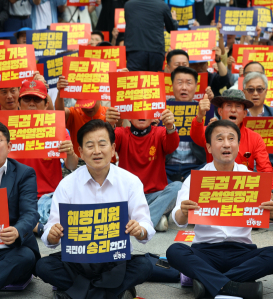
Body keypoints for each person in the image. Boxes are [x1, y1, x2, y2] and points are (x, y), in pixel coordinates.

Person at [37, 120, 155, 299]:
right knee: (43, 266)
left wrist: (140, 230)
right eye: (90, 146)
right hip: (78, 260)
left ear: (113, 148)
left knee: (144, 266)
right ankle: (112, 292)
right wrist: (52, 234)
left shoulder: (130, 182)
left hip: (115, 259)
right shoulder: (67, 185)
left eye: (102, 144)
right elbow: (50, 232)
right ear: (81, 152)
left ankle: (76, 293)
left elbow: (147, 225)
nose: (97, 151)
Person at [167, 120, 273, 299]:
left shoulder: (251, 178)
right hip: (205, 252)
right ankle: (235, 286)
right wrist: (184, 211)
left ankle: (211, 283)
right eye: (220, 139)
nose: (226, 144)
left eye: (232, 139)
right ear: (208, 147)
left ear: (238, 145)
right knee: (174, 251)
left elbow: (272, 216)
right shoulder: (195, 179)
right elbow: (178, 220)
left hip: (242, 251)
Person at [15, 79, 77, 235]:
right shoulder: (7, 129)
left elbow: (72, 165)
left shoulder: (57, 128)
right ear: (19, 102)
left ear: (46, 103)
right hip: (18, 196)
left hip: (49, 196)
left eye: (37, 99)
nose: (31, 103)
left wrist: (69, 152)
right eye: (27, 99)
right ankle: (37, 226)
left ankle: (32, 225)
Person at [190, 89, 273, 191]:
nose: (233, 110)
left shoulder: (255, 138)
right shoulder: (211, 132)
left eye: (238, 106)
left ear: (245, 113)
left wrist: (271, 191)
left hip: (244, 188)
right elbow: (196, 136)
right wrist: (200, 115)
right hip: (213, 187)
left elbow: (265, 168)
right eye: (229, 105)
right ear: (220, 111)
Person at [110, 107, 181, 232]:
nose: (141, 114)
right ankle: (155, 217)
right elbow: (107, 143)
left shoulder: (160, 132)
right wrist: (110, 124)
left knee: (178, 187)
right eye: (137, 110)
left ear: (154, 116)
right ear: (129, 117)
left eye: (146, 110)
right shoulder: (121, 133)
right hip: (128, 197)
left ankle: (142, 223)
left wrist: (170, 127)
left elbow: (172, 146)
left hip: (155, 195)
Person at [0, 122, 41, 289]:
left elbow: (30, 213)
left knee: (26, 257)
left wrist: (17, 230)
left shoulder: (24, 173)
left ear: (9, 146)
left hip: (11, 247)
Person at [124, 0, 179, 71]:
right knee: (154, 83)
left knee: (136, 82)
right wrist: (174, 20)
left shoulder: (128, 5)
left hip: (134, 51)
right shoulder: (162, 5)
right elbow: (172, 29)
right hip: (156, 52)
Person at [166, 66, 208, 181]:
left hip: (196, 166)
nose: (184, 87)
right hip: (166, 166)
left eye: (189, 83)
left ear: (195, 87)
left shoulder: (204, 110)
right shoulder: (162, 108)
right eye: (179, 83)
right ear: (172, 86)